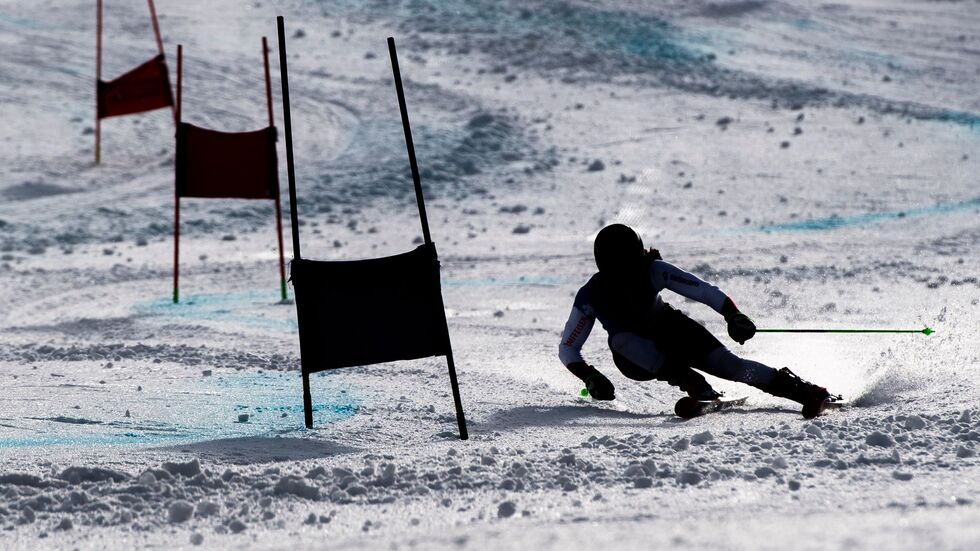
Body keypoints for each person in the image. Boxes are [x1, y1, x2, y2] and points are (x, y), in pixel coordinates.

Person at [558, 223, 833, 418]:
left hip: (673, 330)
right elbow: (568, 349)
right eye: (619, 270)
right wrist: (590, 376)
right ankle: (690, 381)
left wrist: (732, 314)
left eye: (631, 266)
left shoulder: (652, 269)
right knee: (621, 339)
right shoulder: (591, 295)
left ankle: (805, 391)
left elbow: (702, 290)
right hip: (637, 359)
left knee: (732, 366)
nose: (627, 277)